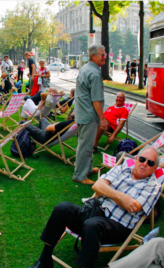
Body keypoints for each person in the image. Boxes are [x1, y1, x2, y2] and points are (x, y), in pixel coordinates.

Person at [20, 147, 162, 268]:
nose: (144, 164)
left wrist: (109, 192)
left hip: (118, 225)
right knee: (63, 208)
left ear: (154, 168)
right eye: (142, 159)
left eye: (150, 163)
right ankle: (45, 259)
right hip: (96, 211)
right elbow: (98, 185)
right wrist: (122, 197)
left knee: (92, 225)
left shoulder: (153, 186)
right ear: (136, 158)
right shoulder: (123, 167)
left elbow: (134, 207)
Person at [73, 44, 109, 185]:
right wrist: (102, 118)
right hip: (88, 115)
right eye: (102, 54)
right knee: (85, 145)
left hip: (83, 113)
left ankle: (87, 169)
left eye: (105, 54)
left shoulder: (86, 68)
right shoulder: (93, 73)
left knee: (86, 144)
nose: (105, 57)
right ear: (93, 56)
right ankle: (80, 175)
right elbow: (96, 100)